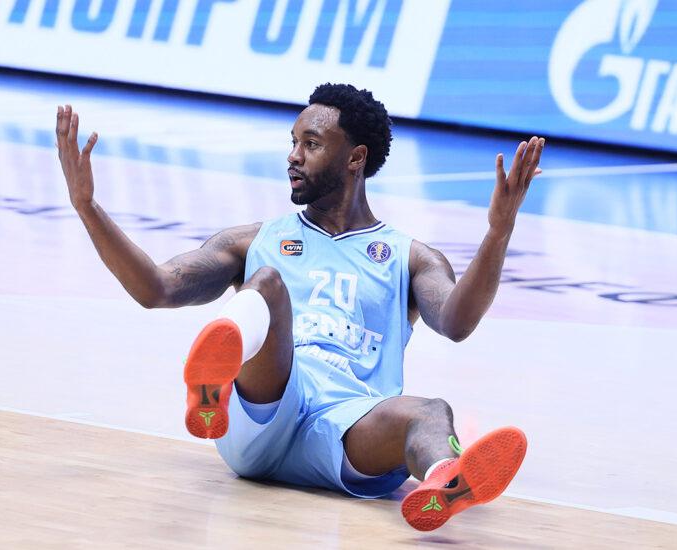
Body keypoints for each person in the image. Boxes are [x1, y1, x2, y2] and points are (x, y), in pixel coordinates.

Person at [55, 83, 544, 531]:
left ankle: (446, 481)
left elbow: (457, 322)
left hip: (349, 429)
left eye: (311, 144)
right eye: (293, 142)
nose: (293, 155)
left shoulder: (409, 257)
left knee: (431, 412)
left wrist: (498, 232)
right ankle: (209, 394)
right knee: (267, 284)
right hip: (263, 409)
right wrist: (88, 208)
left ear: (355, 158)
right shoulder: (254, 241)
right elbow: (156, 288)